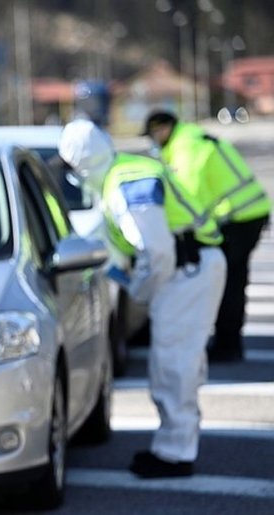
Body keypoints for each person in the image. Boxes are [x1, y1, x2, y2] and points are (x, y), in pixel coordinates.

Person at [58, 119, 226, 479]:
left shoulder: (126, 183)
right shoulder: (120, 175)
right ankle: (176, 444)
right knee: (180, 362)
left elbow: (157, 251)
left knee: (174, 364)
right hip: (188, 268)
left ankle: (174, 454)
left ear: (81, 165)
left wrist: (139, 295)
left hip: (186, 270)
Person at [143, 111, 271, 362]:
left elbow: (189, 198)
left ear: (163, 128)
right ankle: (229, 342)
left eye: (153, 135)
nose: (153, 141)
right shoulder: (190, 138)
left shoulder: (185, 148)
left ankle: (227, 346)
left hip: (238, 219)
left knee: (226, 283)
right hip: (248, 214)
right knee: (232, 280)